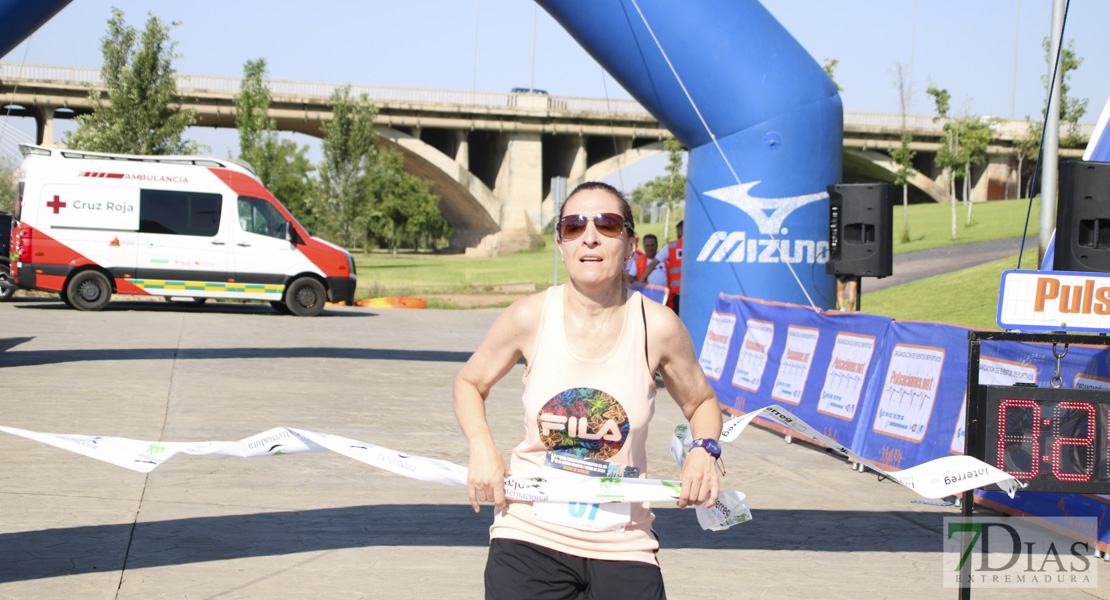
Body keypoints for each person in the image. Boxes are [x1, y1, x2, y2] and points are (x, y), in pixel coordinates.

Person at [453, 182, 722, 600]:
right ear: (561, 244)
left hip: (623, 540)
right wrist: (481, 446)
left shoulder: (659, 326)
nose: (590, 236)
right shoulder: (530, 316)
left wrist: (704, 450)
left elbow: (701, 402)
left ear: (631, 243)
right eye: (574, 226)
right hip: (530, 532)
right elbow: (470, 382)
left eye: (608, 224)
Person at [643, 221, 683, 313]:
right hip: (692, 292)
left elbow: (653, 264)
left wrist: (641, 281)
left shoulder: (672, 246)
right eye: (647, 245)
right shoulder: (697, 245)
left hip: (676, 294)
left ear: (681, 231)